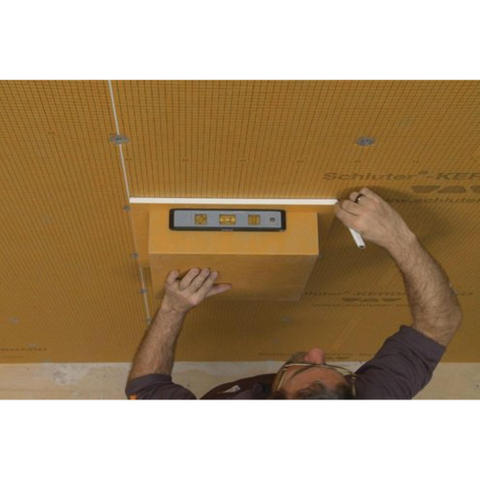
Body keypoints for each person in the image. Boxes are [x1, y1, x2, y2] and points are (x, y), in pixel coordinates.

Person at [125, 187, 463, 400]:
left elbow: (146, 389)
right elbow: (439, 324)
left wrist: (172, 309)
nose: (316, 351)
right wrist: (399, 238)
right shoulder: (372, 402)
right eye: (338, 371)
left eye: (303, 368)